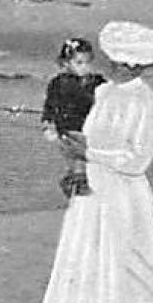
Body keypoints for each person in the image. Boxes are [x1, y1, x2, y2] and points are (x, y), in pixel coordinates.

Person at [29, 21, 153, 303]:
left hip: (125, 196)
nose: (113, 67)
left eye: (121, 62)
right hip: (92, 189)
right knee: (79, 262)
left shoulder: (150, 103)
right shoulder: (103, 94)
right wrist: (76, 156)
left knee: (130, 268)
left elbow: (138, 159)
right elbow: (87, 136)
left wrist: (92, 151)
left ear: (136, 66)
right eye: (113, 60)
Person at [41, 38, 105, 199]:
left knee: (88, 161)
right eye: (79, 63)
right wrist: (48, 124)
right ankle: (79, 189)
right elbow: (50, 105)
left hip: (92, 129)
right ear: (66, 64)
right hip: (69, 129)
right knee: (79, 159)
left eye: (88, 62)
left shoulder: (97, 82)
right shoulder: (59, 83)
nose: (85, 67)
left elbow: (108, 101)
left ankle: (74, 183)